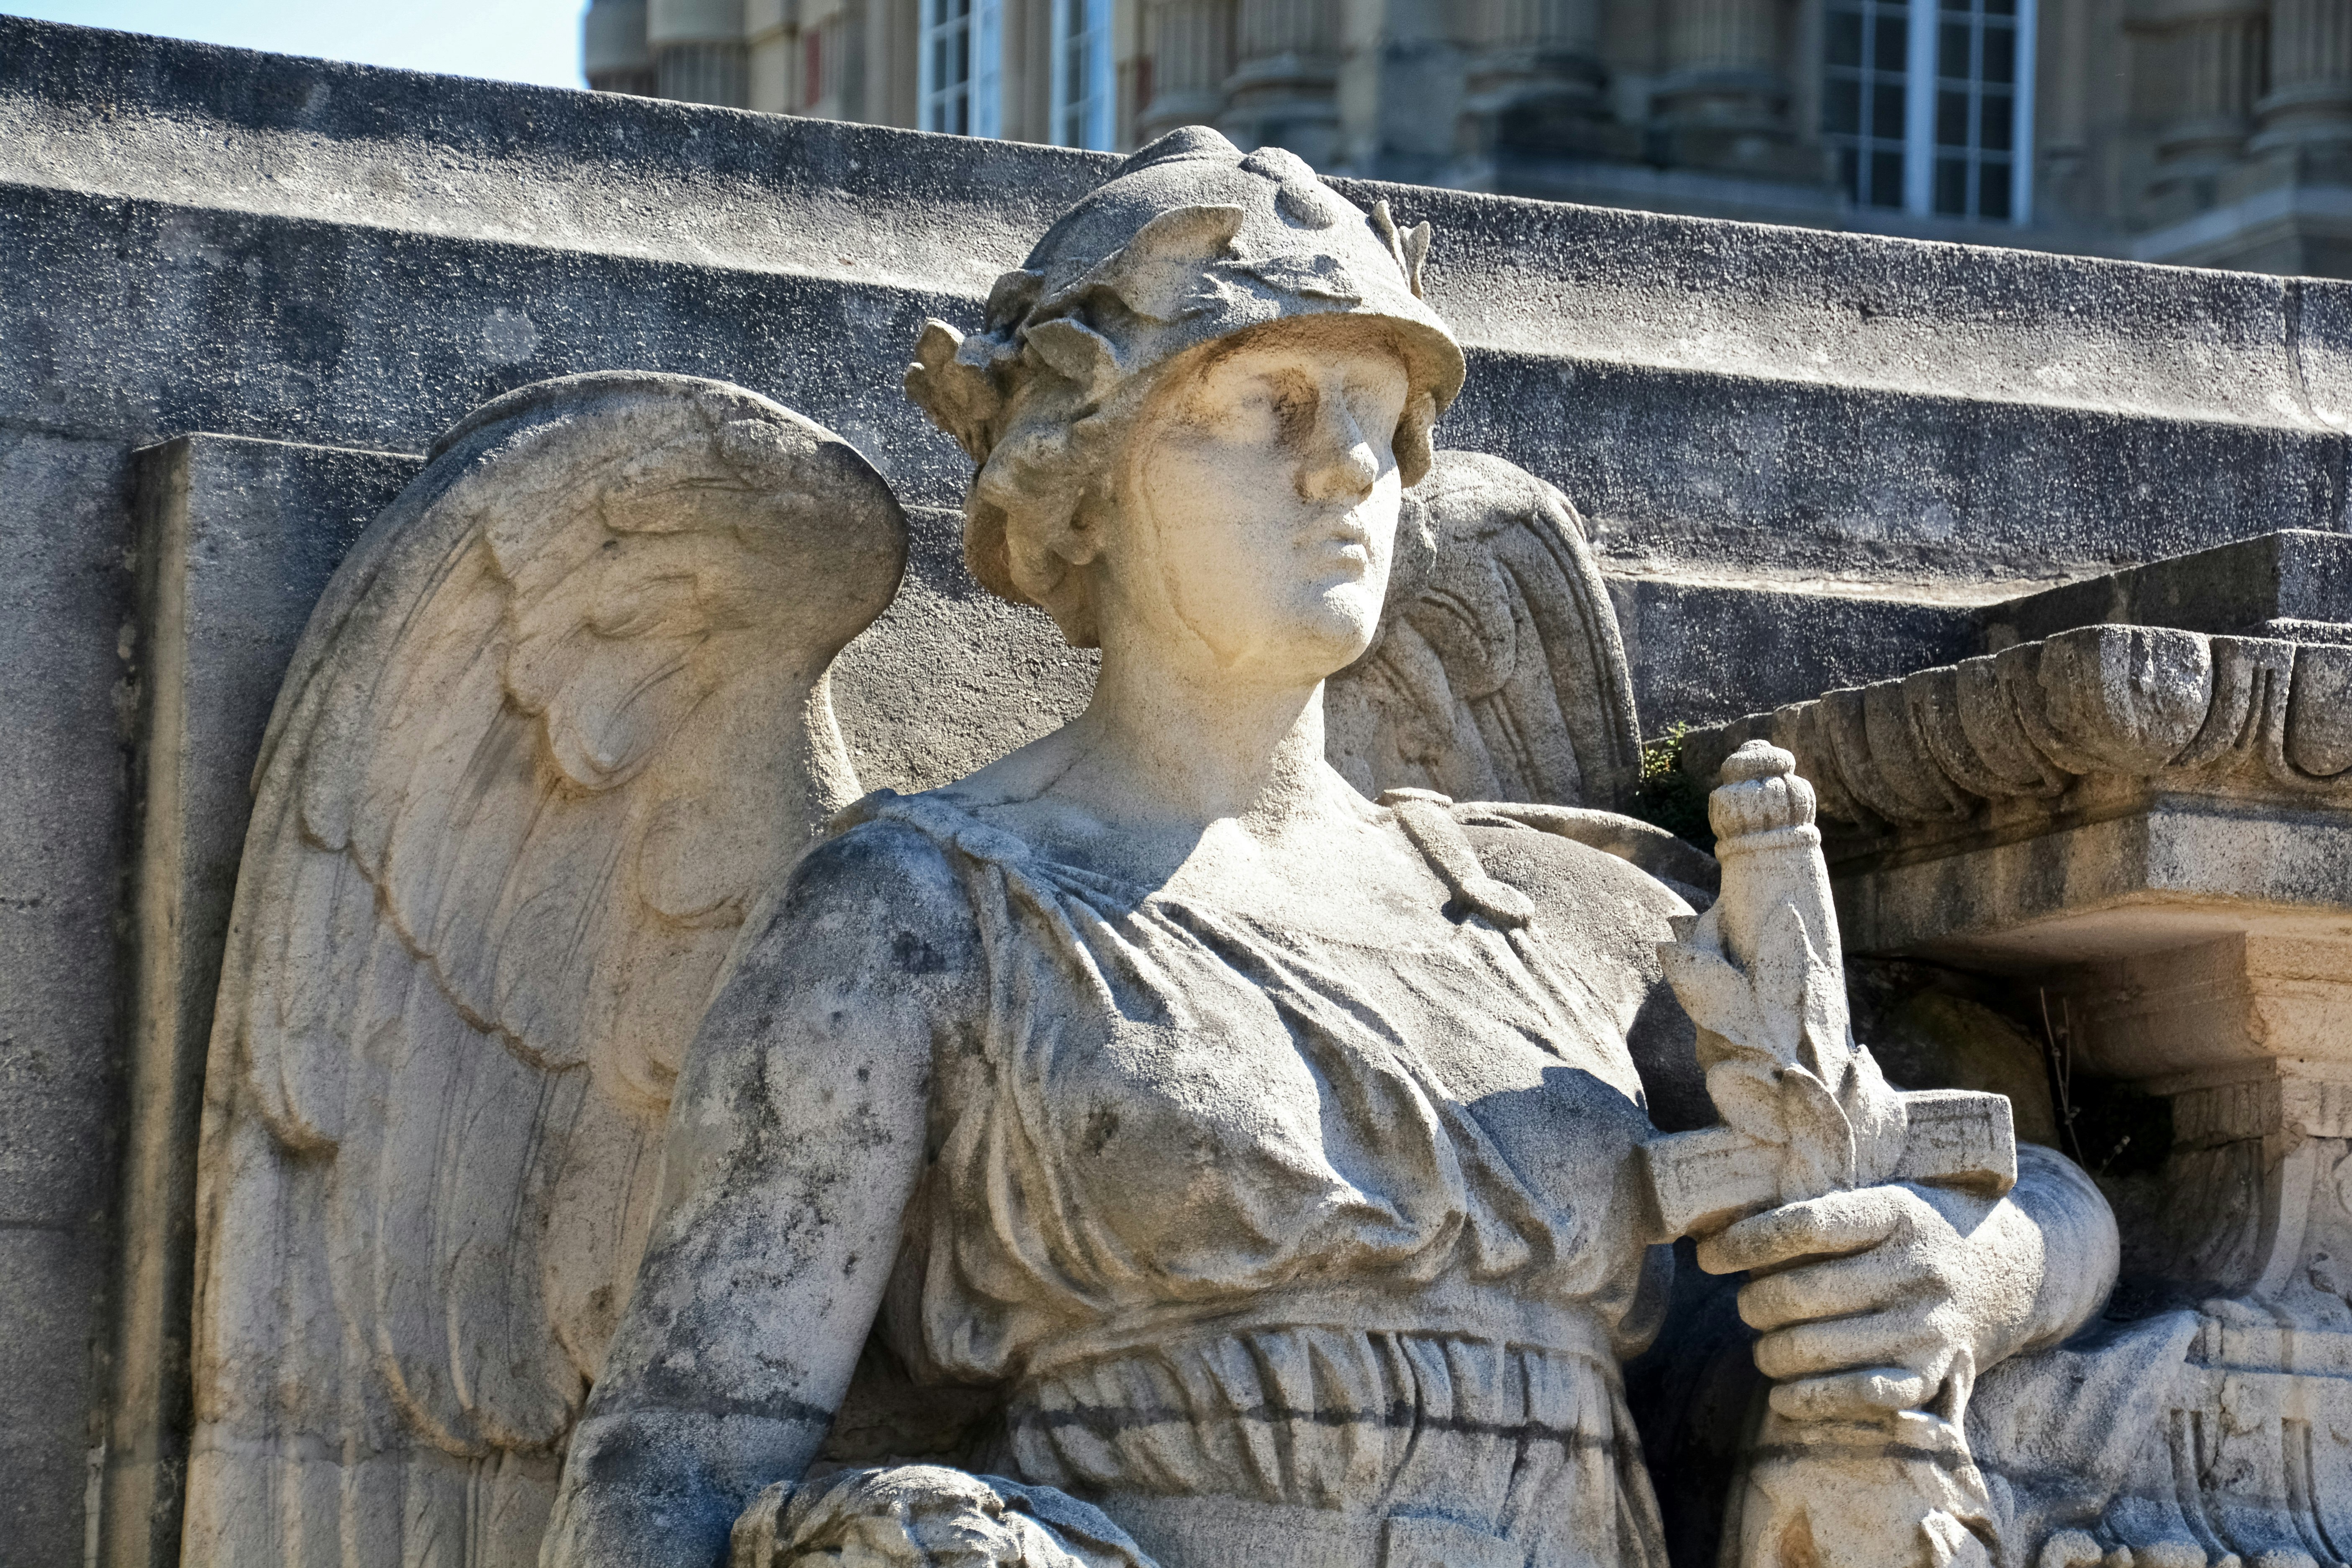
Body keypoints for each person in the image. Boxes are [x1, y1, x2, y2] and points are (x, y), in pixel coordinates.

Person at [542, 128, 2116, 1568]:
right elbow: (667, 1463)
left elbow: (2037, 1196)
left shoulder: (1559, 904)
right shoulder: (917, 910)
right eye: (1264, 405)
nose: (1346, 464)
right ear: (1082, 471)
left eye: (1376, 411)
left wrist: (1951, 1281)